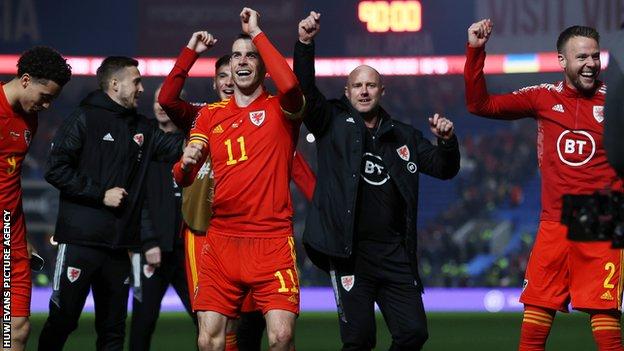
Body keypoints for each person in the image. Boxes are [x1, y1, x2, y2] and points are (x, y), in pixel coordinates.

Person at [294, 12, 460, 351]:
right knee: (358, 340)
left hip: (395, 254)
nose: (364, 91)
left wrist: (447, 141)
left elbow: (444, 169)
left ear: (382, 90)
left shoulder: (405, 136)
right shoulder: (331, 122)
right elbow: (305, 92)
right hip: (348, 253)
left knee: (414, 333)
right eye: (358, 85)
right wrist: (305, 44)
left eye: (371, 85)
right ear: (347, 91)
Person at [465, 20, 624, 351]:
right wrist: (476, 51)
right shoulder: (542, 98)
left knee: (603, 311)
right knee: (537, 310)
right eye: (581, 57)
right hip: (555, 219)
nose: (591, 64)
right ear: (562, 61)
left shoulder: (616, 102)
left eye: (595, 57)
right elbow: (480, 105)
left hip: (601, 218)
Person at [159, 30, 315, 350]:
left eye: (251, 55)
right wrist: (185, 165)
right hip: (221, 241)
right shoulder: (209, 115)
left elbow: (290, 85)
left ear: (265, 66)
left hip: (270, 241)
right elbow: (184, 176)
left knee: (281, 337)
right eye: (236, 56)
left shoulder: (282, 110)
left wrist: (258, 34)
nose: (242, 60)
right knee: (208, 340)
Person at [38, 56, 183, 351]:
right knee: (63, 321)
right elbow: (55, 168)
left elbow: (174, 147)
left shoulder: (141, 126)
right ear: (115, 84)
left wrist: (208, 135)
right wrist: (100, 193)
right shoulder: (84, 118)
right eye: (137, 81)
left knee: (113, 332)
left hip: (119, 248)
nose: (142, 88)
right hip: (81, 241)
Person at [0, 46, 71, 351]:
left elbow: (10, 180)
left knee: (16, 327)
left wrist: (20, 233)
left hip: (10, 234)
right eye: (45, 97)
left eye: (53, 99)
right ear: (26, 80)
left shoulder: (30, 121)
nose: (47, 105)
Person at [128, 85, 195, 351]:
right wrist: (148, 241)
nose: (158, 105)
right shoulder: (141, 145)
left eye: (165, 100)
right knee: (142, 325)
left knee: (207, 322)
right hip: (152, 251)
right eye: (155, 100)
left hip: (188, 250)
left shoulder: (194, 144)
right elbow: (137, 198)